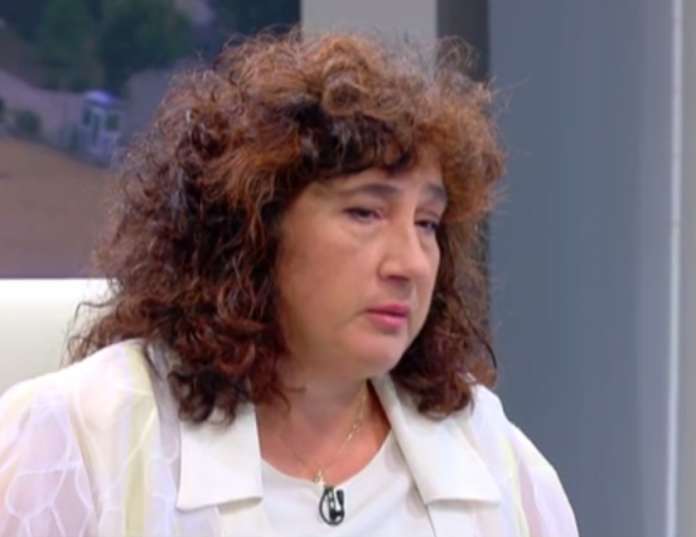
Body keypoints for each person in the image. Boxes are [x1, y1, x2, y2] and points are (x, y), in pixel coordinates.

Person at [0, 29, 578, 536]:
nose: (410, 263)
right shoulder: (80, 440)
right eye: (365, 213)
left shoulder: (495, 459)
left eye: (426, 223)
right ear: (256, 228)